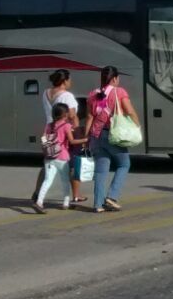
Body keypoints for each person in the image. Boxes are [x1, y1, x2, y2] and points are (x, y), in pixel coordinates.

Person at [88, 66, 142, 213]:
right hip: (112, 134)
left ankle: (98, 205)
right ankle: (112, 197)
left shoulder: (93, 94)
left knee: (100, 171)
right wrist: (137, 126)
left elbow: (90, 117)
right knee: (124, 164)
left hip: (96, 136)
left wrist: (87, 138)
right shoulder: (119, 92)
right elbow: (129, 111)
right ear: (114, 78)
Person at [30, 69, 82, 204]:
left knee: (47, 162)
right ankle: (74, 195)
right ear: (64, 81)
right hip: (62, 132)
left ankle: (37, 193)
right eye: (69, 79)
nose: (71, 82)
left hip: (48, 131)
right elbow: (71, 116)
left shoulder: (46, 93)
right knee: (68, 163)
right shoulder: (67, 95)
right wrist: (77, 129)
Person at [33, 103, 84, 213]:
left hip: (50, 157)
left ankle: (39, 202)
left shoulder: (49, 126)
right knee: (65, 180)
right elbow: (72, 141)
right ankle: (65, 203)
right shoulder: (66, 126)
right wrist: (85, 140)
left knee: (47, 180)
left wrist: (47, 152)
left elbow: (44, 140)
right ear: (65, 114)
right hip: (62, 157)